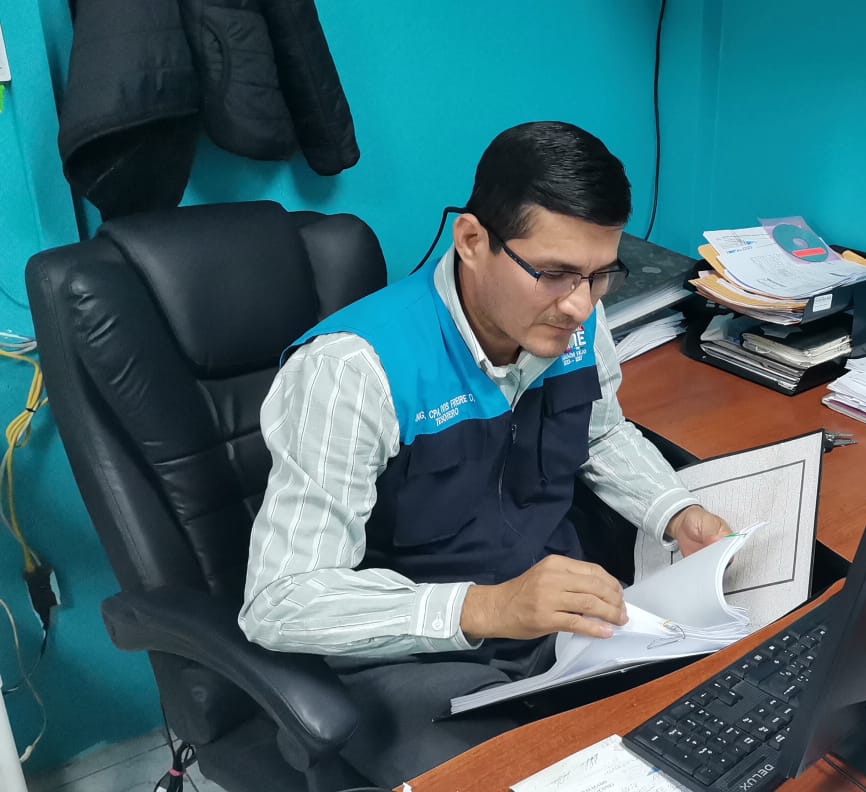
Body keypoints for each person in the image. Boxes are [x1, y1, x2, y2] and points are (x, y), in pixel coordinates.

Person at [239, 121, 732, 785]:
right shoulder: (353, 371)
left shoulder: (574, 322)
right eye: (554, 274)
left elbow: (601, 434)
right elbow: (282, 599)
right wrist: (489, 608)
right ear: (472, 241)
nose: (580, 306)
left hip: (557, 627)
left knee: (714, 723)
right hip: (413, 658)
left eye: (600, 275)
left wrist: (673, 509)